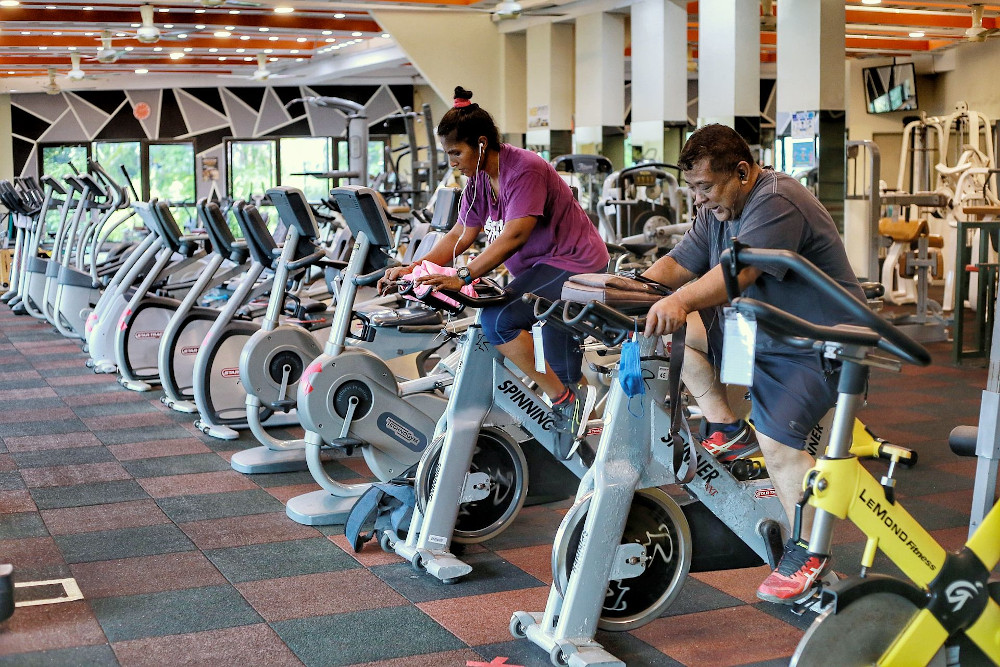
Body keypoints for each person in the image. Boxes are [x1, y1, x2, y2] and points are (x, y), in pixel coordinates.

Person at [640, 124, 865, 604]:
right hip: (761, 333)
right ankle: (726, 426)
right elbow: (680, 264)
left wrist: (677, 301)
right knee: (667, 336)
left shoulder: (776, 198)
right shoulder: (718, 210)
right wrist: (626, 292)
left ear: (742, 172)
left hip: (818, 341)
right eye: (693, 189)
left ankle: (810, 550)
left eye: (705, 187)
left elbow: (738, 273)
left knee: (779, 445)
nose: (698, 200)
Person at [379, 86, 610, 459]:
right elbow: (461, 233)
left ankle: (562, 401)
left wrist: (464, 276)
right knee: (562, 364)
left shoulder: (526, 169)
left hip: (573, 265)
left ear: (481, 144)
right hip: (542, 269)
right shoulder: (479, 182)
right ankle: (593, 446)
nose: (453, 161)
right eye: (448, 153)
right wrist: (417, 267)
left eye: (457, 152)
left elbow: (516, 233)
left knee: (498, 319)